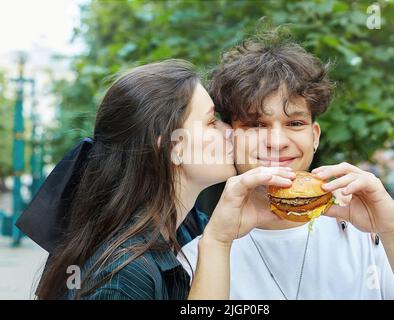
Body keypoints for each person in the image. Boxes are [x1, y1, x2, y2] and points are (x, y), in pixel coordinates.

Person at [180, 33, 394, 300]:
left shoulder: (367, 236)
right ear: (231, 136)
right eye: (257, 124)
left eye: (295, 123)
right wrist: (217, 244)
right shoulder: (201, 256)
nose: (277, 142)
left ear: (315, 135)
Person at [28, 59, 295, 299]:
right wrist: (216, 242)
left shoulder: (185, 228)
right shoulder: (122, 277)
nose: (230, 132)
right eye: (211, 122)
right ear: (173, 147)